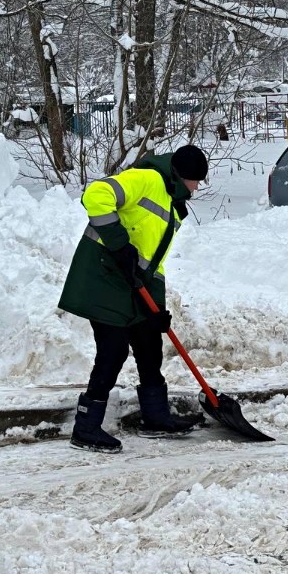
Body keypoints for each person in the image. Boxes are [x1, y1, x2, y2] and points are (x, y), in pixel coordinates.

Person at [59, 145, 209, 453]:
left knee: (149, 341)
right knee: (113, 351)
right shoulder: (146, 179)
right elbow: (96, 194)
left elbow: (155, 261)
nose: (197, 187)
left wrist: (156, 307)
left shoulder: (172, 200)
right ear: (181, 176)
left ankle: (155, 417)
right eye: (196, 181)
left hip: (128, 280)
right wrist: (119, 244)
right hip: (102, 275)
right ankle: (85, 427)